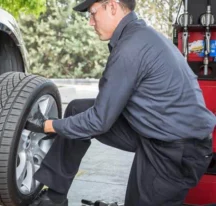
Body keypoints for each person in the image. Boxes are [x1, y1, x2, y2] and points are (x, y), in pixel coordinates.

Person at [24, 0, 216, 205]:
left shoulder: (130, 48)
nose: (90, 22)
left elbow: (98, 121)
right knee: (77, 110)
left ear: (112, 7)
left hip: (177, 151)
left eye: (93, 13)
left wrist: (48, 125)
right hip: (154, 131)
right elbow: (102, 111)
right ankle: (55, 197)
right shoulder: (138, 37)